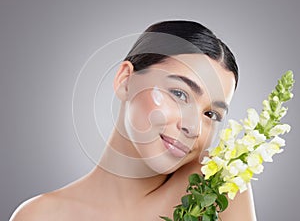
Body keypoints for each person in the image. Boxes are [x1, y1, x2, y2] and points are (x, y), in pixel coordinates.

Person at [10, 20, 256, 220]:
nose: (192, 127)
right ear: (125, 80)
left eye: (210, 114)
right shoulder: (39, 215)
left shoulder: (217, 185)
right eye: (179, 94)